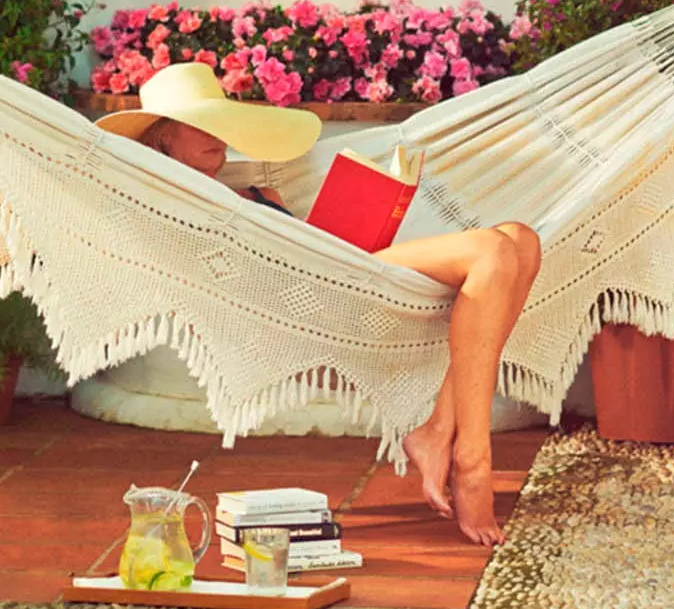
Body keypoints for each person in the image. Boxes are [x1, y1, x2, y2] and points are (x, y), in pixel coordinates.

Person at [96, 63, 540, 546]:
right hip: (319, 302)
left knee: (522, 240)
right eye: (201, 126)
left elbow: (311, 247)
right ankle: (473, 460)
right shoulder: (175, 209)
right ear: (162, 139)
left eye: (220, 123)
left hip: (346, 269)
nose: (218, 138)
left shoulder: (256, 190)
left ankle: (437, 430)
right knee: (493, 251)